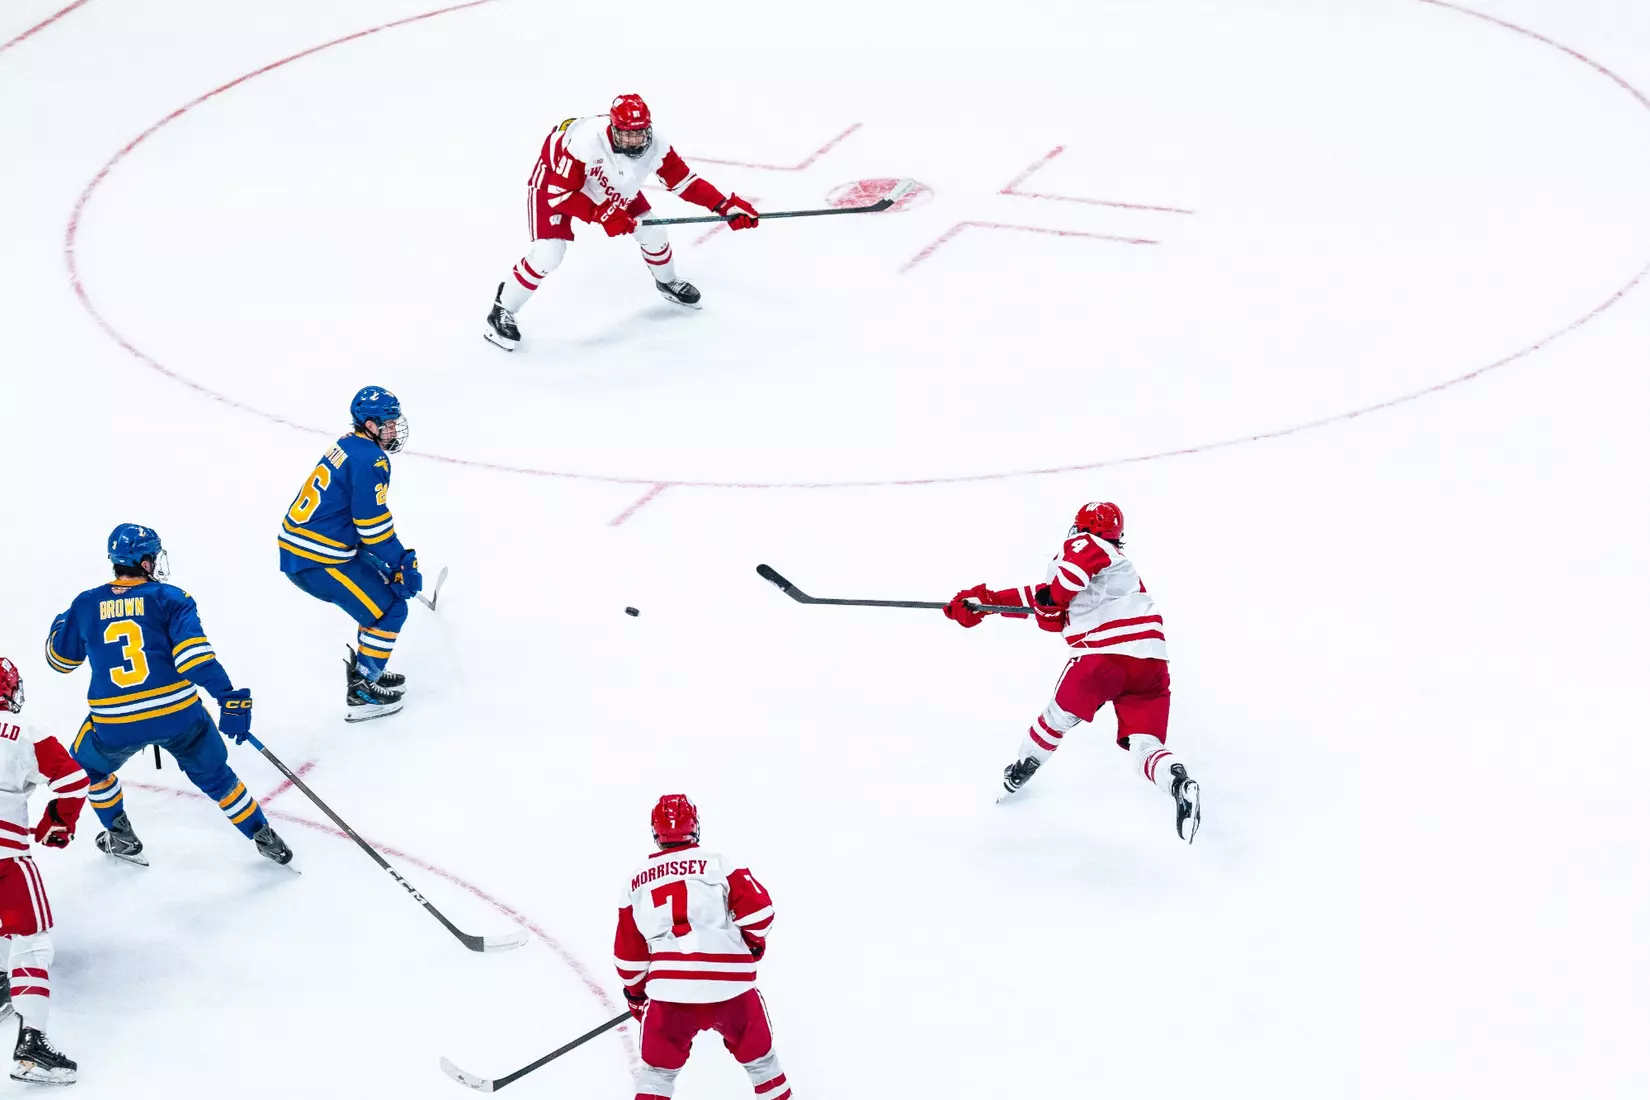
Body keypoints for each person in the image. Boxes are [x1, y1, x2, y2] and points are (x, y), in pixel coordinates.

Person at [944, 501, 1202, 842]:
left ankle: (1023, 767)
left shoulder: (1087, 546)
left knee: (1056, 719)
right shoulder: (1119, 571)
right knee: (1145, 745)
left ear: (1082, 528)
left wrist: (1053, 601)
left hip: (1103, 657)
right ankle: (1178, 782)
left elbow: (1062, 586)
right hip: (1151, 665)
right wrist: (986, 604)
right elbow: (1040, 597)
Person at [45, 524, 291, 865]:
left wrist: (61, 624)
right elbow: (194, 659)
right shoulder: (172, 598)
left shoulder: (86, 603)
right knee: (217, 776)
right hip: (178, 716)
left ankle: (121, 836)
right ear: (145, 562)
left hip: (115, 724)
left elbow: (60, 661)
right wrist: (227, 696)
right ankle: (264, 836)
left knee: (88, 769)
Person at [484, 93, 761, 350]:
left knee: (653, 231)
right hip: (556, 182)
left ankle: (667, 282)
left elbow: (685, 182)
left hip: (606, 179)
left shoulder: (656, 144)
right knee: (549, 252)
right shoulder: (586, 141)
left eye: (641, 132)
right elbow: (561, 194)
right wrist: (601, 214)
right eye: (628, 134)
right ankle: (502, 309)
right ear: (614, 129)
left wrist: (724, 204)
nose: (635, 141)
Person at [614, 795, 791, 1100]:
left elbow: (629, 958)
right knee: (763, 1065)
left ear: (655, 831)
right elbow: (759, 915)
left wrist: (637, 996)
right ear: (695, 826)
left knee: (656, 1076)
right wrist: (752, 943)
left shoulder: (635, 882)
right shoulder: (717, 863)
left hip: (670, 995)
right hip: (731, 988)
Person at [278, 385, 421, 721]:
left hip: (312, 546)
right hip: (318, 559)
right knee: (390, 609)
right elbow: (372, 526)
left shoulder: (348, 443)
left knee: (378, 598)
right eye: (388, 424)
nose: (393, 430)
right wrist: (401, 560)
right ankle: (362, 690)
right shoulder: (371, 459)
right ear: (370, 425)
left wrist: (388, 562)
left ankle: (370, 667)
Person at [0, 657, 87, 1083]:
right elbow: (74, 781)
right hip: (5, 854)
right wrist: (59, 820)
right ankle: (32, 1047)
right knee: (31, 939)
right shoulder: (24, 730)